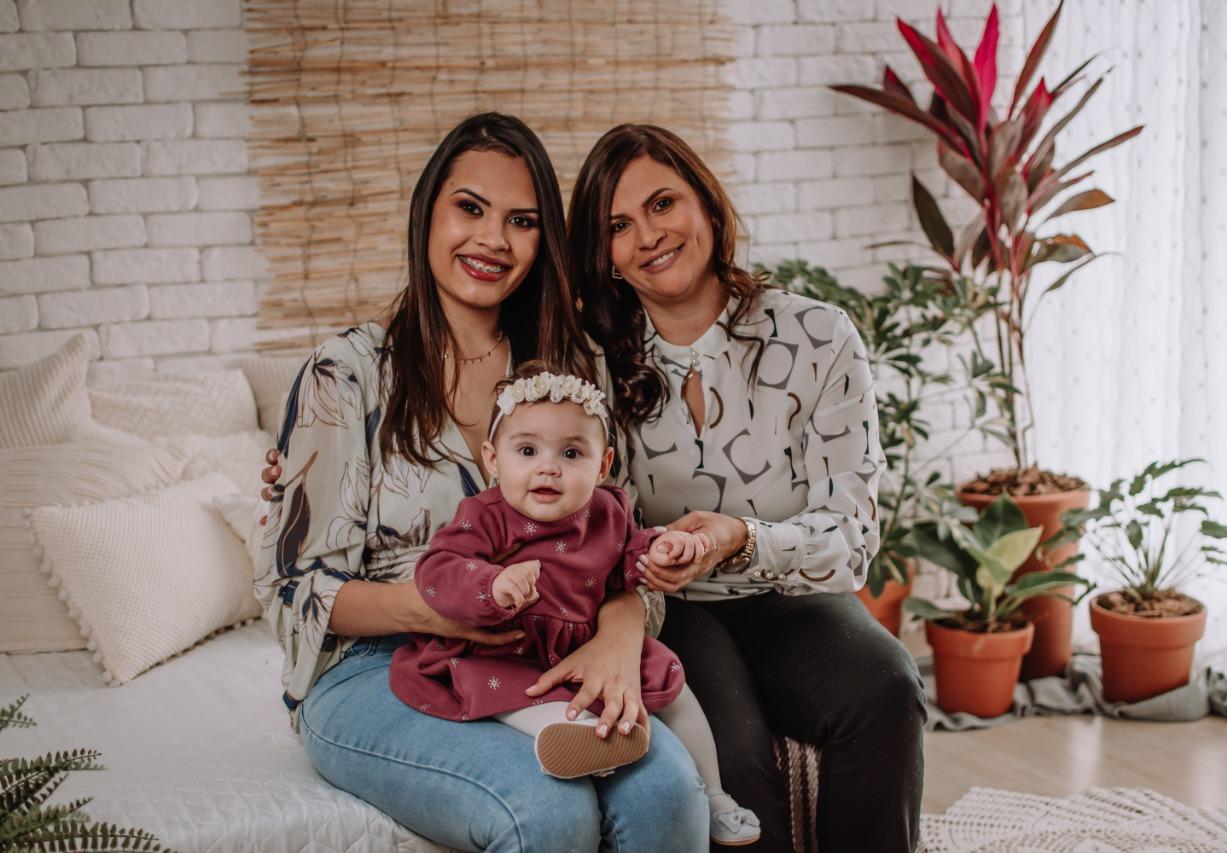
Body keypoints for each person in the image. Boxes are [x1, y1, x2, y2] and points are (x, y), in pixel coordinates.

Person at [253, 113, 707, 853]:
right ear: (427, 212)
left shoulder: (570, 367)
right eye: (470, 208)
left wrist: (619, 637)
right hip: (374, 666)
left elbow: (619, 543)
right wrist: (434, 608)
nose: (493, 239)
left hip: (545, 656)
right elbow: (293, 587)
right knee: (545, 810)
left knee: (670, 792)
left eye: (521, 221)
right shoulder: (347, 374)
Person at [567, 124, 928, 852]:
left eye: (662, 203)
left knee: (886, 688)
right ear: (604, 257)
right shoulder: (591, 362)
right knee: (733, 763)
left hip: (793, 594)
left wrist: (742, 539)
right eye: (618, 226)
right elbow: (591, 526)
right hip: (669, 610)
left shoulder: (820, 337)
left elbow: (853, 538)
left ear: (706, 202)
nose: (649, 235)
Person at [389, 362, 761, 846]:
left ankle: (714, 795)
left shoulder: (609, 510)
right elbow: (437, 571)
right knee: (514, 695)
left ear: (602, 466)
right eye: (527, 451)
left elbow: (628, 563)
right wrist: (492, 585)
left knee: (674, 685)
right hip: (513, 652)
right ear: (492, 459)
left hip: (588, 644)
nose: (549, 467)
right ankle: (584, 741)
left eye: (571, 453)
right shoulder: (485, 516)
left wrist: (663, 549)